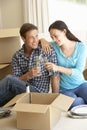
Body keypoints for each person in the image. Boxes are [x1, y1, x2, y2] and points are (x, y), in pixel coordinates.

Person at [0, 23, 60, 107]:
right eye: (31, 37)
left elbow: (55, 76)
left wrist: (54, 101)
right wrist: (28, 75)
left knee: (9, 79)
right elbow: (16, 80)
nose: (35, 40)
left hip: (39, 93)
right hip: (21, 91)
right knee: (7, 91)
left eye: (36, 36)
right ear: (23, 38)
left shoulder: (45, 50)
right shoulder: (17, 56)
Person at [41, 20, 87, 109]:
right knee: (75, 103)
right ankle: (82, 102)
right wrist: (42, 39)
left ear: (64, 31)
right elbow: (38, 43)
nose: (54, 39)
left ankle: (82, 103)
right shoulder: (53, 46)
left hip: (80, 84)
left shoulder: (81, 47)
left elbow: (78, 71)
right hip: (65, 89)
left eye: (56, 36)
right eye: (51, 37)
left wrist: (57, 68)